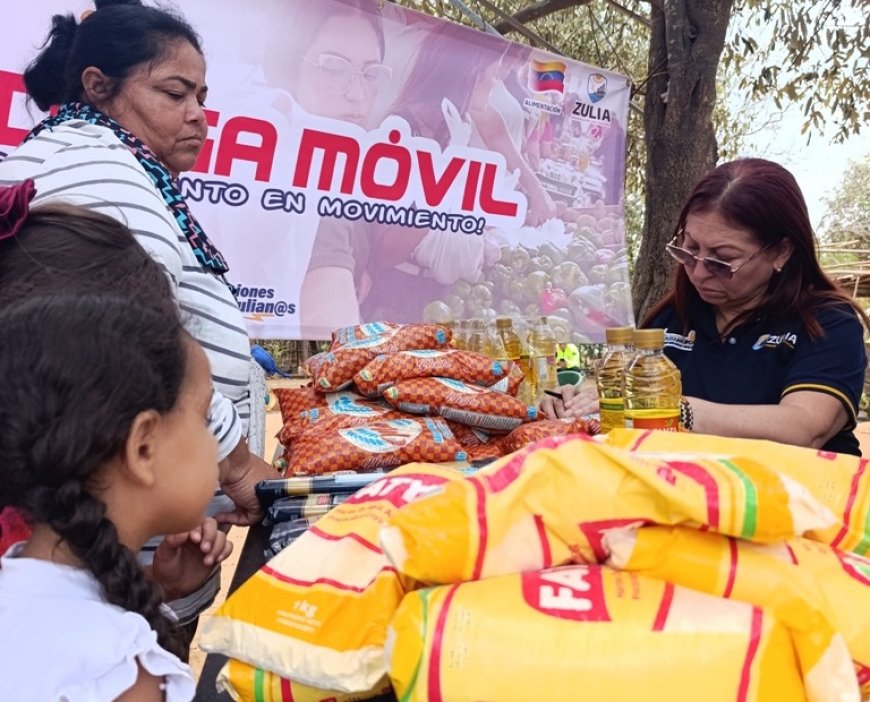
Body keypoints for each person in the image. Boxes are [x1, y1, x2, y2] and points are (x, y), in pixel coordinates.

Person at [0, 0, 274, 634]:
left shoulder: (98, 158)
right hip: (109, 552)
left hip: (136, 562)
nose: (199, 115)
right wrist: (233, 467)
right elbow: (136, 341)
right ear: (99, 87)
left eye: (202, 96)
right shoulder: (105, 169)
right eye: (174, 92)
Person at [543, 158, 869, 456]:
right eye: (688, 250)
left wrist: (671, 408)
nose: (698, 273)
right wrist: (576, 401)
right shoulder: (671, 320)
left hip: (803, 503)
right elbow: (627, 394)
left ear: (781, 252)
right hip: (693, 498)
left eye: (722, 260)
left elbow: (803, 427)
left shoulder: (826, 322)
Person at [0, 292, 228, 700]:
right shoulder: (120, 673)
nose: (214, 443)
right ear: (143, 448)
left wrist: (159, 586)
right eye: (204, 418)